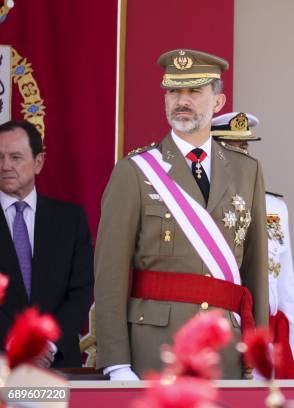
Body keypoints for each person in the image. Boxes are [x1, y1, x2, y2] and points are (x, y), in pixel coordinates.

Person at [94, 50, 268, 380]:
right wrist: (116, 361)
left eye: (194, 91)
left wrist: (259, 355)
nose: (182, 101)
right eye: (174, 91)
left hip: (226, 350)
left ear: (218, 101)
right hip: (156, 348)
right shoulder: (135, 172)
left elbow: (256, 270)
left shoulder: (248, 171)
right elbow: (110, 272)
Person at [211, 111, 294, 379]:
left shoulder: (274, 207)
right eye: (232, 148)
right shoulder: (201, 208)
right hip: (223, 340)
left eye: (245, 147)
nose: (242, 155)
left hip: (268, 343)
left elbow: (286, 284)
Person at [0, 119, 94, 368]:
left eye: (16, 157)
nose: (5, 166)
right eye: (0, 157)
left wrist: (46, 344)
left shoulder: (70, 220)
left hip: (56, 361)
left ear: (38, 162)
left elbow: (81, 292)